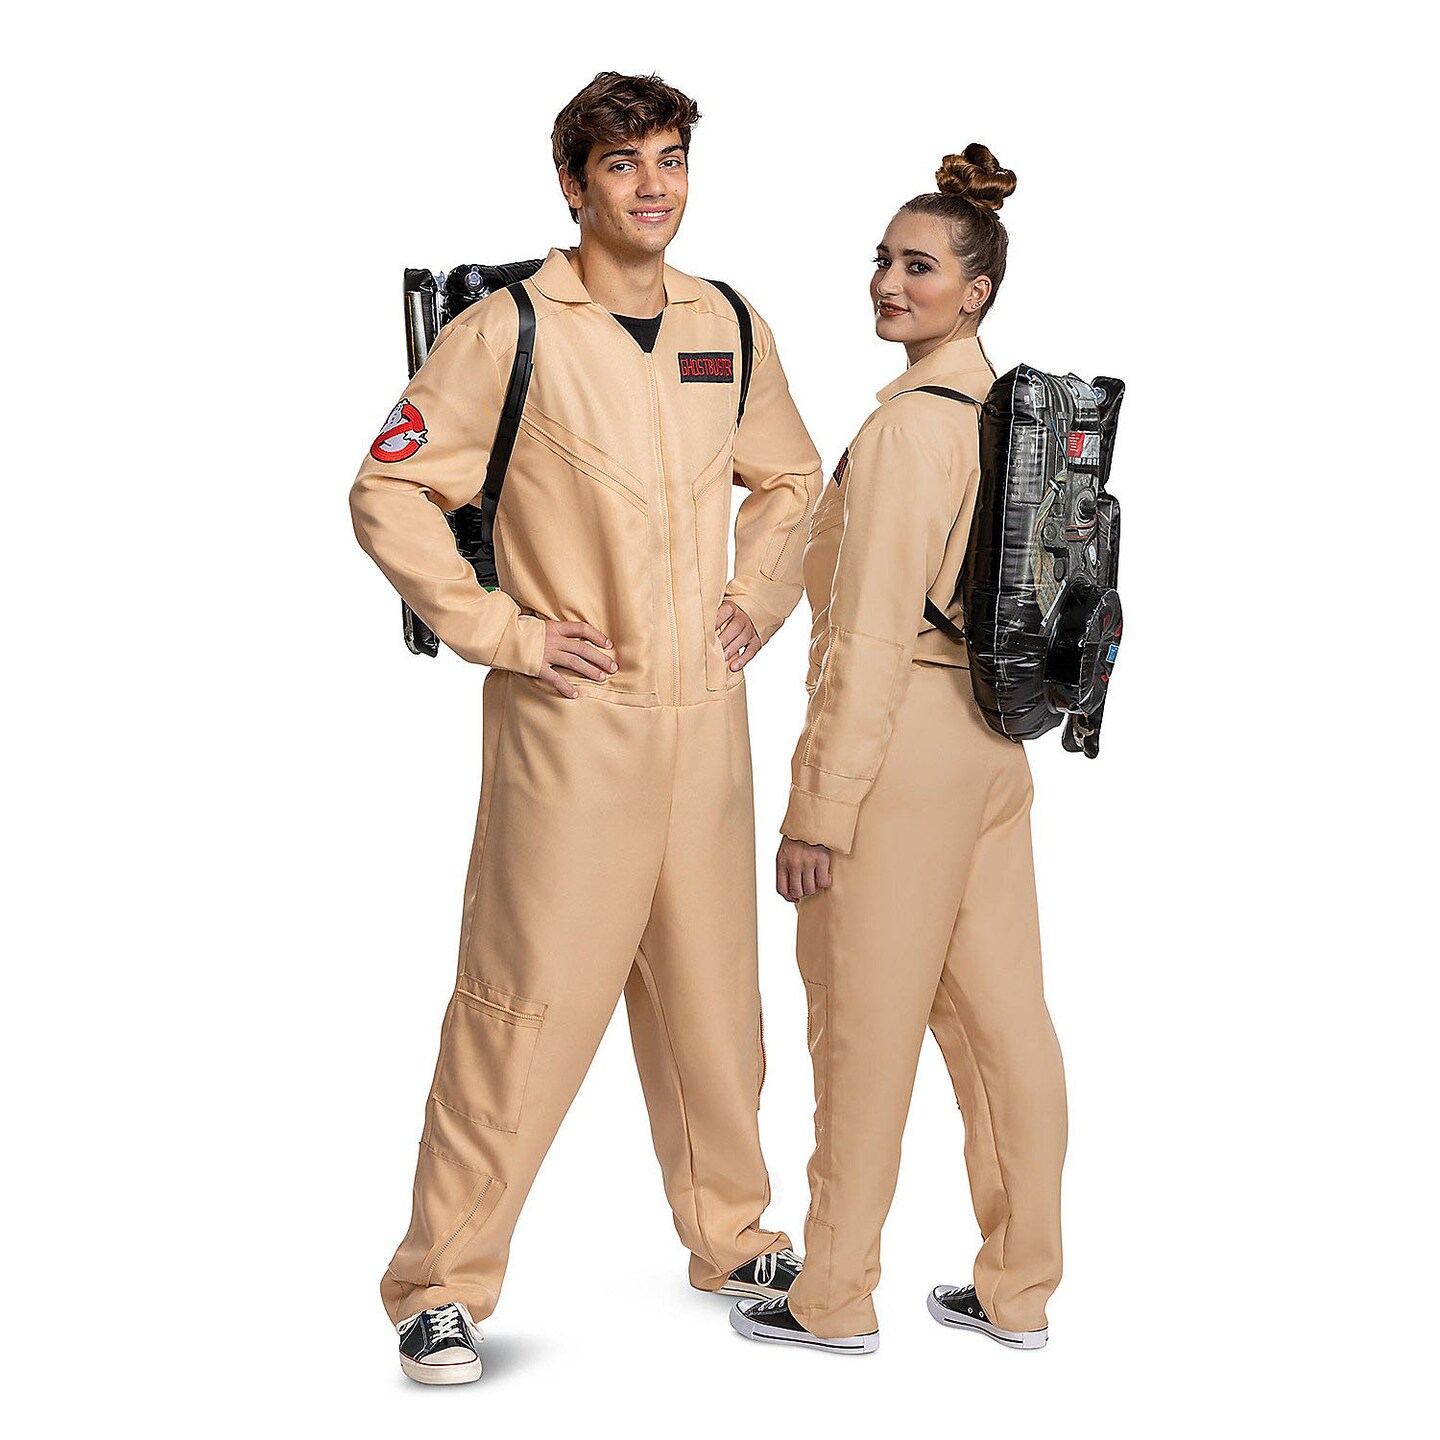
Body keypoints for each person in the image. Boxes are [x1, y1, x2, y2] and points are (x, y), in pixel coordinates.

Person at [350, 72, 822, 1384]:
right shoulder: (507, 330)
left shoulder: (726, 323)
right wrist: (504, 632)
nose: (654, 186)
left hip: (705, 728)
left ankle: (735, 1238)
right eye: (623, 164)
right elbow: (389, 490)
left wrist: (753, 601)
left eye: (670, 159)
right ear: (574, 185)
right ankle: (438, 1285)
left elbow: (793, 479)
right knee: (520, 1009)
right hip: (572, 729)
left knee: (714, 1004)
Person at [729, 145, 1067, 1357]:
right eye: (882, 260)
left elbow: (869, 637)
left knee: (862, 1032)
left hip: (901, 753)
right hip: (992, 745)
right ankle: (1020, 1290)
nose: (888, 282)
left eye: (919, 266)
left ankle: (831, 1298)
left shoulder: (910, 432)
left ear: (976, 292)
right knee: (1005, 1029)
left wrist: (817, 810)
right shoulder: (1011, 418)